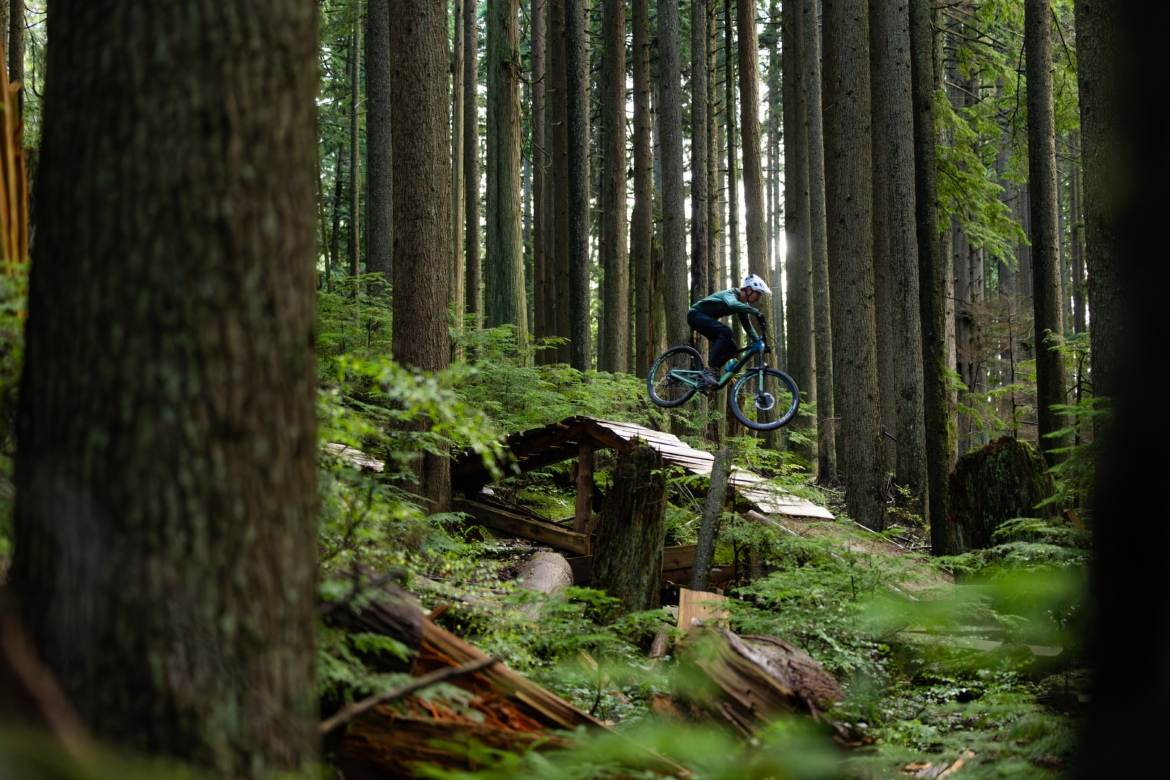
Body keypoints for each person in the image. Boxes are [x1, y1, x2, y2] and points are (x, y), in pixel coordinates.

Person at [687, 273, 771, 388]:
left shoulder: (742, 305)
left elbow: (748, 327)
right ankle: (710, 369)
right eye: (758, 294)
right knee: (726, 332)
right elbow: (732, 304)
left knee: (732, 349)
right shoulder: (731, 294)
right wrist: (755, 312)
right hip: (695, 315)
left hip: (704, 320)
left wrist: (760, 343)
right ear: (749, 289)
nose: (759, 298)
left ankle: (709, 373)